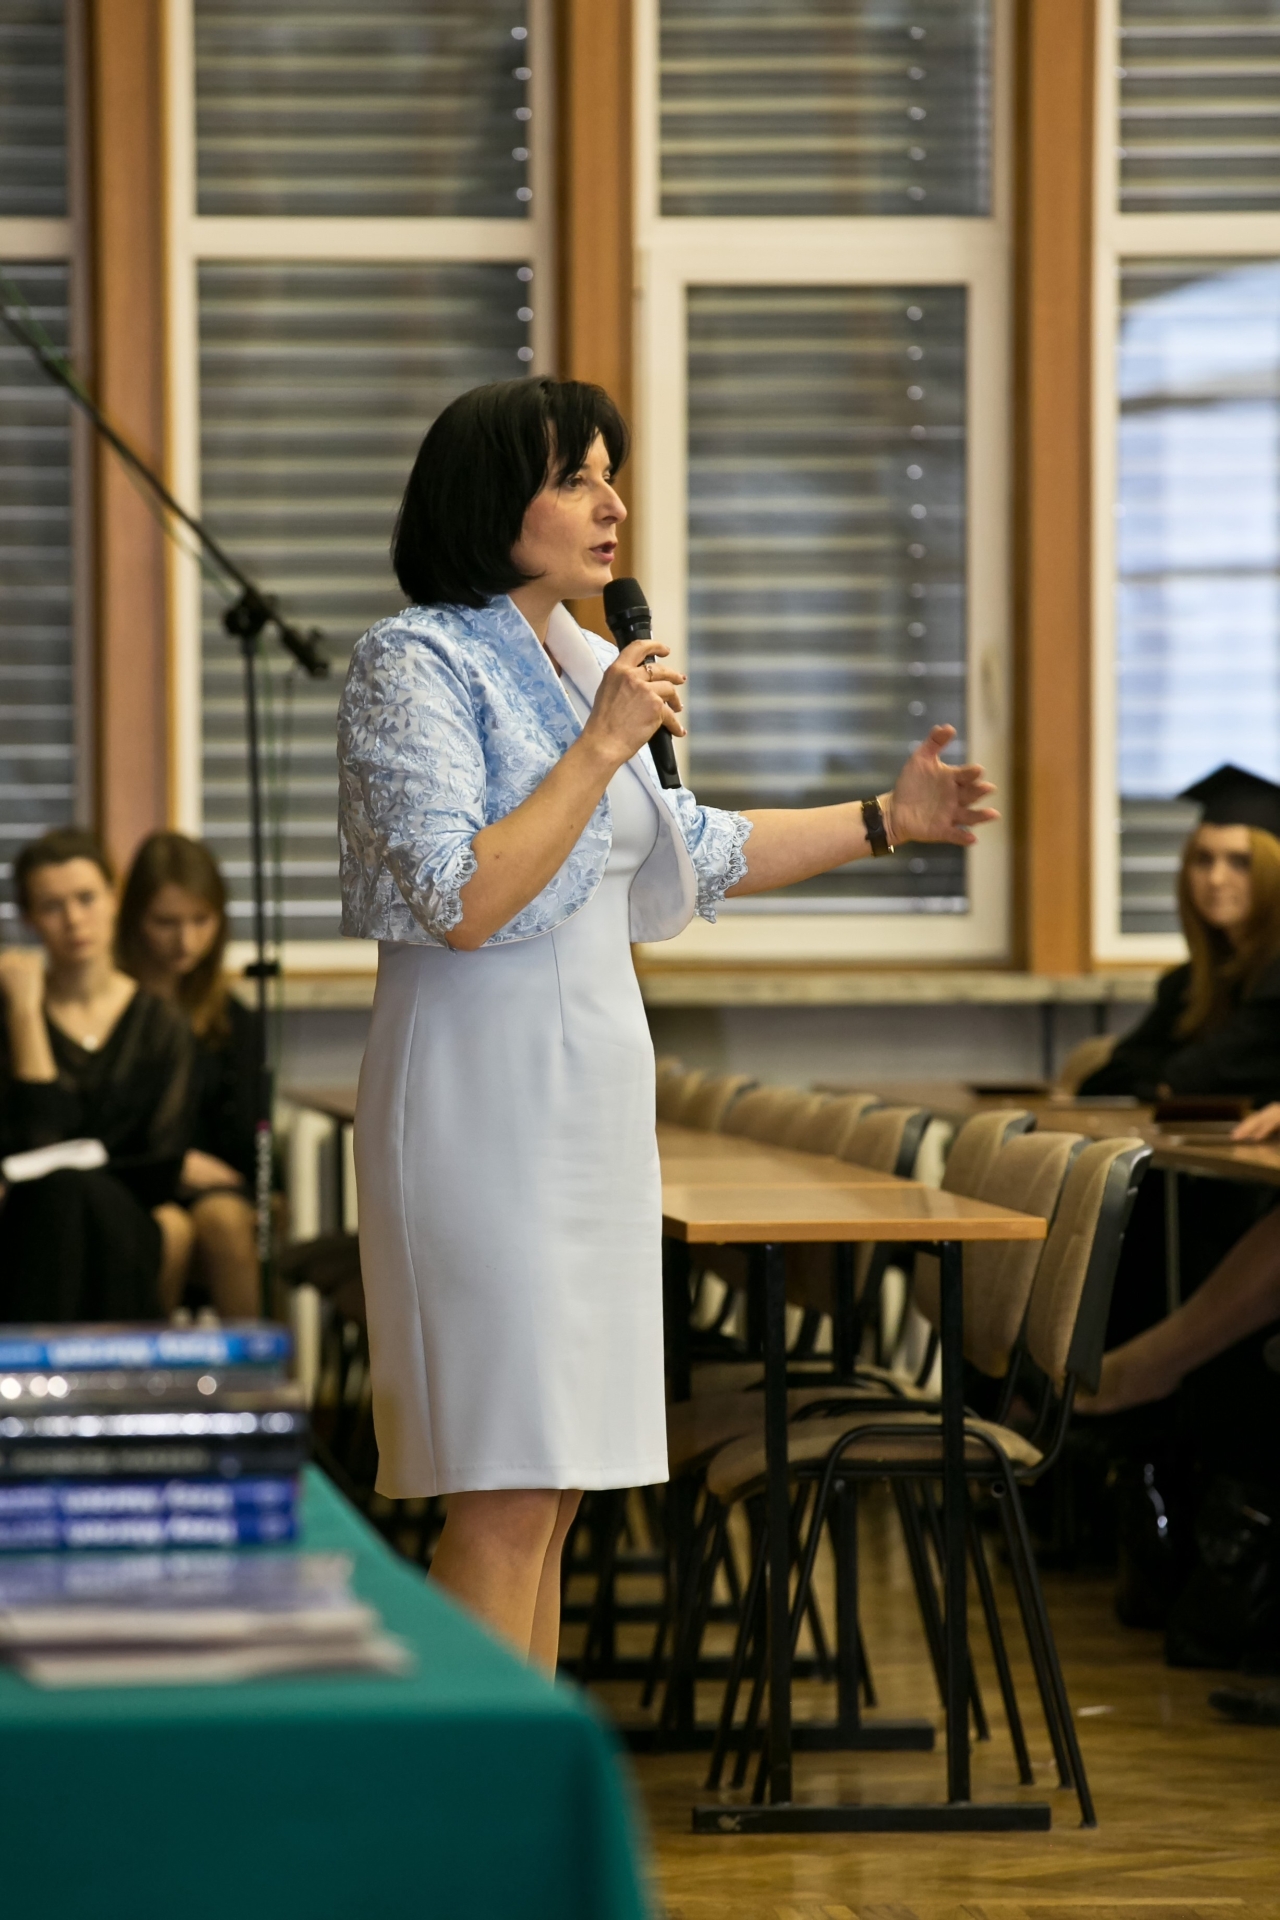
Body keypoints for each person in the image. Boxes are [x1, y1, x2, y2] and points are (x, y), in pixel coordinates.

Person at [337, 376, 997, 1669]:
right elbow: (458, 897)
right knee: (503, 1485)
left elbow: (695, 843)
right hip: (476, 1106)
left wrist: (887, 820)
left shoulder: (587, 661)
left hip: (587, 1108)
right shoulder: (412, 663)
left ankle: (521, 1781)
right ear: (489, 499)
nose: (612, 506)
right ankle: (468, 1794)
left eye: (611, 475)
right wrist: (598, 747)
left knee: (555, 1488)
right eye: (575, 478)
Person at [1081, 766, 1280, 1352]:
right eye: (1203, 860)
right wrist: (1165, 1082)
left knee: (1133, 1211)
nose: (1216, 879)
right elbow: (1109, 1077)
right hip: (1200, 1181)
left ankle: (1115, 1389)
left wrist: (1166, 1080)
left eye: (1240, 862)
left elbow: (1187, 1075)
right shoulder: (1190, 984)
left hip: (1245, 1196)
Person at [0, 828, 194, 1320]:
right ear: (28, 919)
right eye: (51, 906)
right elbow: (35, 1143)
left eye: (86, 898)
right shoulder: (13, 1017)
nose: (73, 920)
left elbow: (160, 1160)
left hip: (125, 1216)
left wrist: (78, 1174)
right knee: (62, 1197)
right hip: (29, 1219)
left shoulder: (161, 1024)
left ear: (113, 897)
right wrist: (25, 1014)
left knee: (76, 1195)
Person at [116, 832, 260, 1319]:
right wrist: (172, 1163)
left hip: (213, 1189)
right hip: (128, 1179)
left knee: (224, 1221)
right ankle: (145, 1363)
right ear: (134, 919)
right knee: (167, 1231)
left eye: (201, 921)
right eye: (166, 922)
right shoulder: (111, 1007)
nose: (187, 941)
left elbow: (245, 1141)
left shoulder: (232, 1018)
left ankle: (257, 1364)